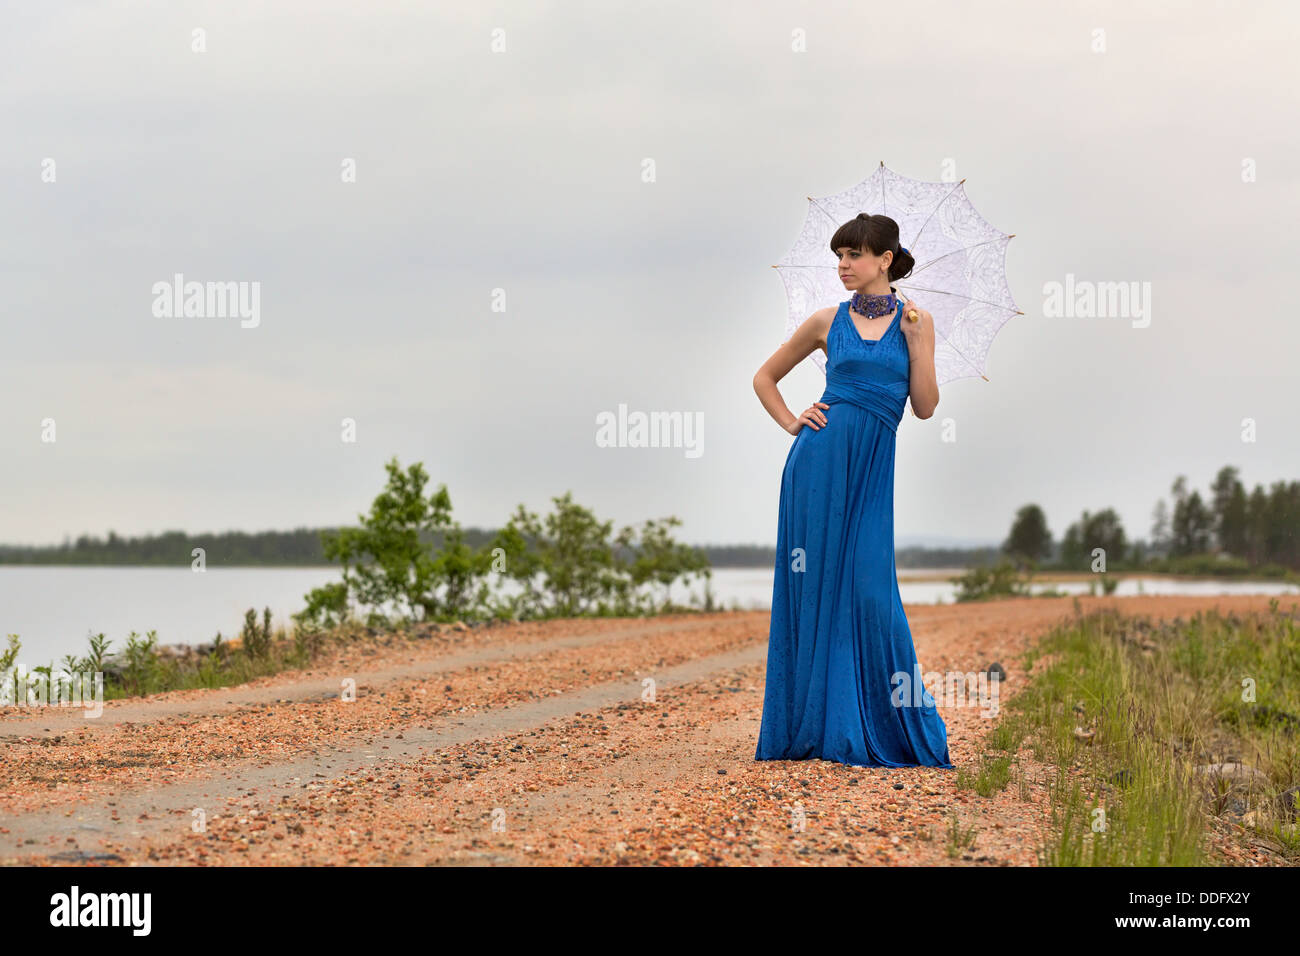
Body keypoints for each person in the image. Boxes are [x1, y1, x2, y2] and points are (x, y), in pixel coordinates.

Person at [752, 212, 953, 769]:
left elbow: (926, 406)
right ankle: (814, 729)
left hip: (871, 472)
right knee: (814, 590)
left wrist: (917, 343)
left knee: (869, 592)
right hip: (816, 467)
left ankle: (879, 724)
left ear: (885, 260)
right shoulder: (824, 321)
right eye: (839, 255)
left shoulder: (918, 322)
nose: (843, 265)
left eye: (855, 255)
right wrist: (793, 421)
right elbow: (763, 378)